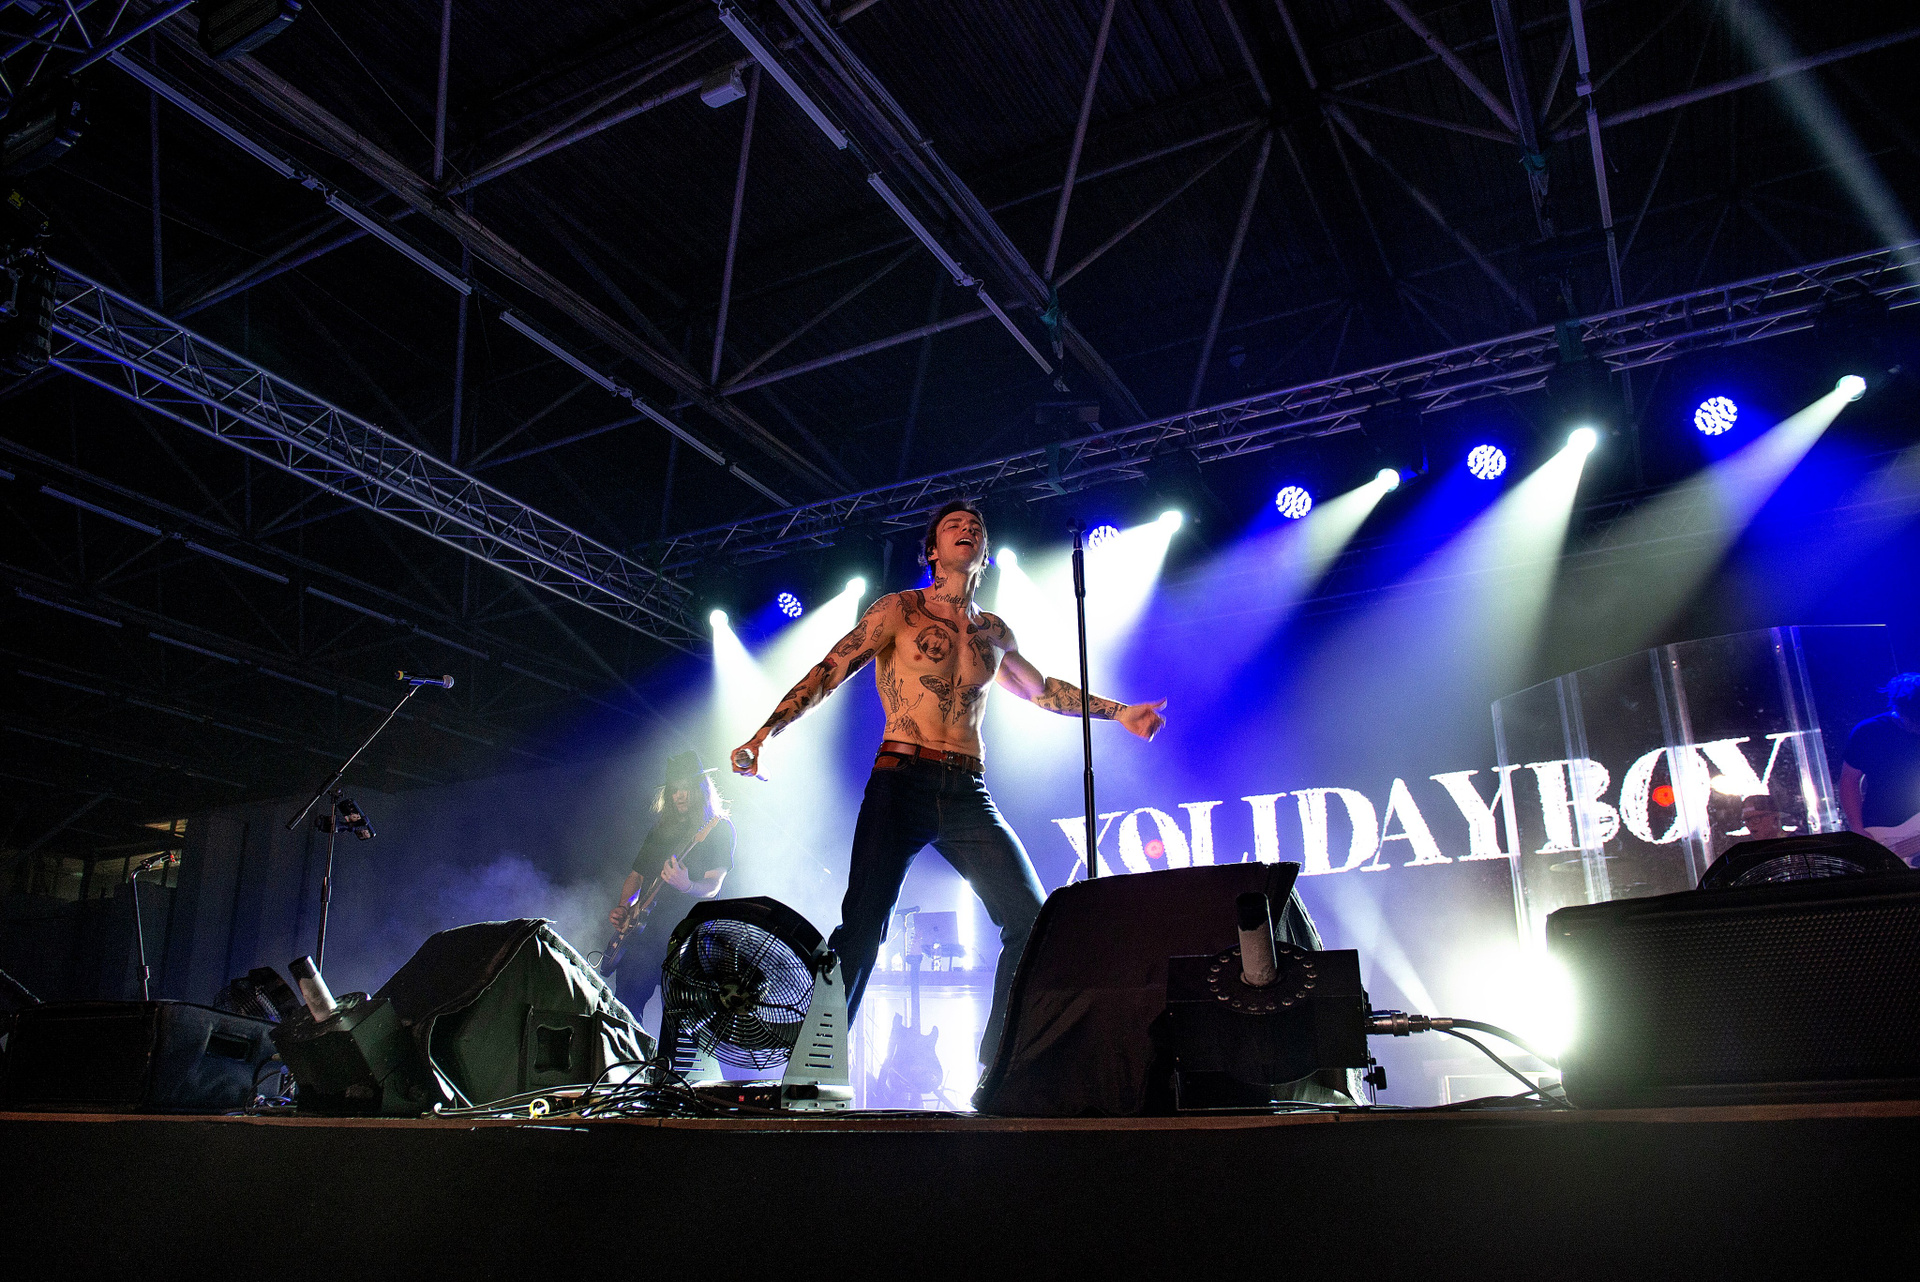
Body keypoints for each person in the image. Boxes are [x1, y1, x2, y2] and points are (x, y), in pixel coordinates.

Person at [730, 500, 1166, 1065]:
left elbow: (1042, 691)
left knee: (1032, 922)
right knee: (863, 927)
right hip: (900, 780)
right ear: (933, 550)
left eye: (975, 526)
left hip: (966, 791)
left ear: (984, 551)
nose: (967, 529)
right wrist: (765, 733)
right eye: (953, 525)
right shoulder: (900, 610)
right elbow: (831, 669)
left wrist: (1120, 712)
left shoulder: (994, 631)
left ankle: (1000, 1066)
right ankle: (814, 1068)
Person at [606, 751, 735, 1027]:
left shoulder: (718, 828)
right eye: (674, 789)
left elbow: (714, 885)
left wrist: (687, 885)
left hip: (687, 939)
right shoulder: (660, 831)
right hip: (644, 935)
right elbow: (636, 876)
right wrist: (625, 907)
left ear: (701, 788)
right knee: (624, 1008)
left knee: (679, 1018)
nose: (679, 795)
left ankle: (669, 1057)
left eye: (686, 787)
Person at [1839, 673, 1920, 855]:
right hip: (1882, 831)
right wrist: (1857, 828)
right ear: (1899, 709)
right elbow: (1849, 780)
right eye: (1915, 719)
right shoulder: (1869, 732)